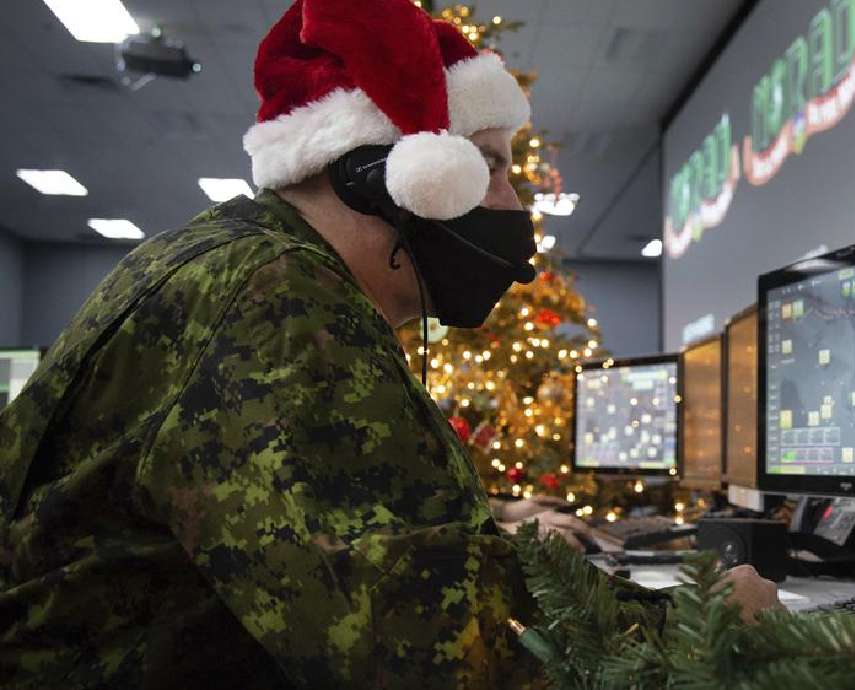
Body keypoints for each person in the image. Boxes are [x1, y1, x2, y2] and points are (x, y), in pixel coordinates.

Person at [0, 1, 780, 688]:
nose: (512, 202)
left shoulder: (247, 266)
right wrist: (702, 619)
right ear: (389, 177)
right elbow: (418, 642)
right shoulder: (276, 300)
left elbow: (317, 536)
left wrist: (496, 522)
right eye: (491, 167)